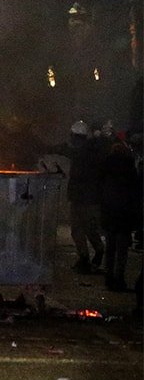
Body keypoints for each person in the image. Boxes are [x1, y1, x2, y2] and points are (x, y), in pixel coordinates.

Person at [62, 120, 106, 273]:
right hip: (88, 198)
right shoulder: (92, 151)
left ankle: (87, 256)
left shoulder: (82, 153)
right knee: (84, 229)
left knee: (81, 229)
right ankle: (91, 254)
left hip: (83, 198)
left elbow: (79, 175)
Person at [99, 138, 141, 292]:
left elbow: (100, 188)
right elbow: (135, 192)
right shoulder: (130, 168)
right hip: (124, 213)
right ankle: (119, 278)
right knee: (122, 250)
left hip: (109, 212)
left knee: (110, 247)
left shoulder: (106, 166)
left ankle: (108, 277)